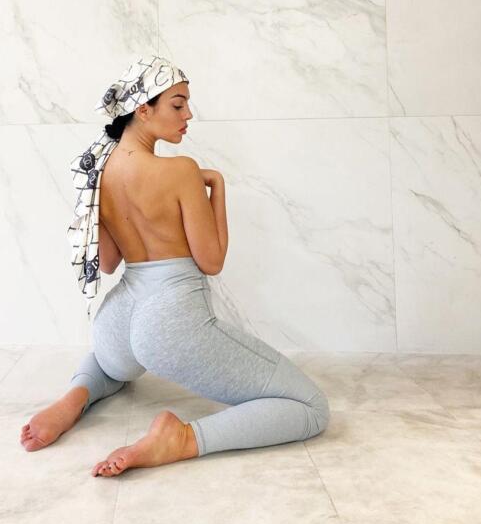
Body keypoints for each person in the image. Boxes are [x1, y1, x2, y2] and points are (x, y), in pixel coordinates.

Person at [20, 56, 330, 476]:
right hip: (169, 322)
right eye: (178, 104)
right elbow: (211, 260)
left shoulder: (97, 175)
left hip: (116, 322)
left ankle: (75, 397)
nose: (188, 115)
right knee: (310, 407)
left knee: (112, 369)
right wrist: (216, 185)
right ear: (142, 109)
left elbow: (108, 262)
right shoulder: (181, 171)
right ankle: (182, 438)